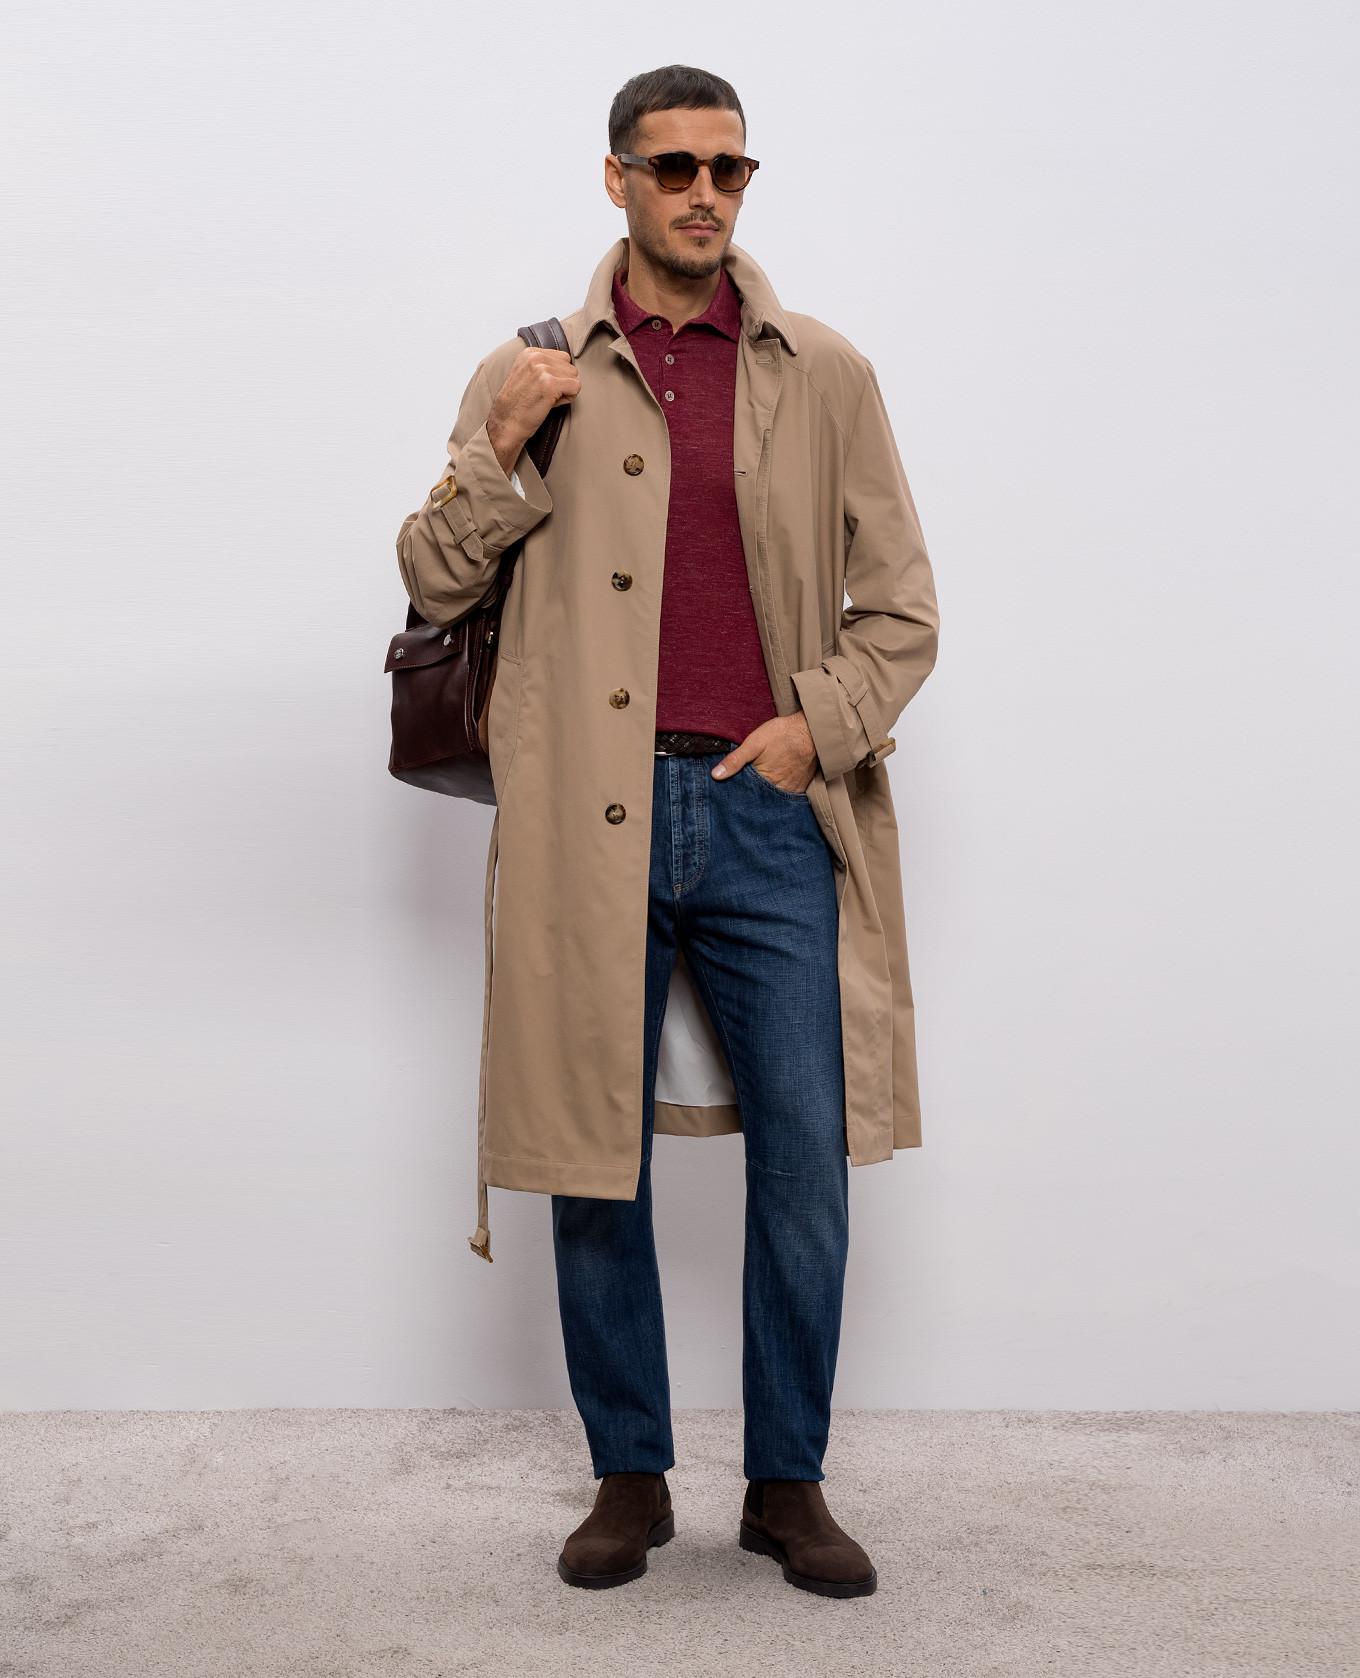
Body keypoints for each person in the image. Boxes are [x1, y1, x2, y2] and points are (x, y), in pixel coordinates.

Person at [396, 64, 938, 1599]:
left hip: (767, 811)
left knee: (807, 1162)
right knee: (594, 1155)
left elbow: (902, 613)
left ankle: (787, 1483)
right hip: (589, 817)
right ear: (617, 181)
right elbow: (437, 581)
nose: (705, 193)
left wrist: (805, 730)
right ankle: (629, 1476)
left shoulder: (822, 372)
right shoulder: (536, 366)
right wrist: (502, 445)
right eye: (674, 166)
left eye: (730, 168)